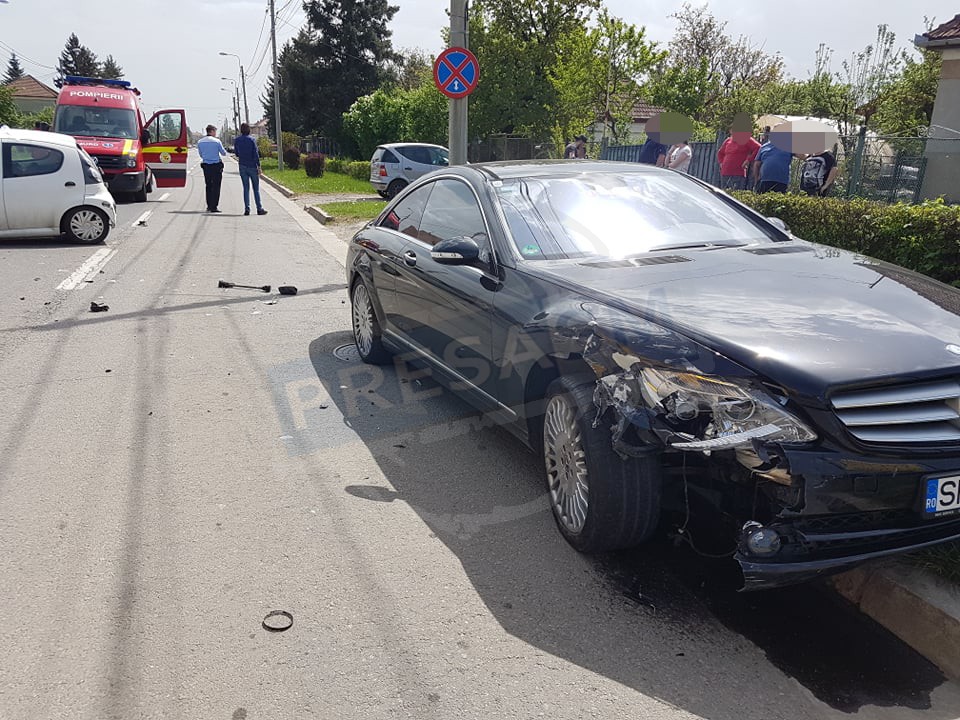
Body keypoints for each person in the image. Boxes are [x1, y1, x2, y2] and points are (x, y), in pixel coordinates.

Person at [234, 123, 268, 216]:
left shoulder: (237, 140)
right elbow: (255, 154)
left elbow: (236, 153)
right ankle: (259, 208)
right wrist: (259, 166)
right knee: (256, 189)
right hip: (252, 165)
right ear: (248, 130)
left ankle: (247, 209)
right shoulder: (252, 140)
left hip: (242, 165)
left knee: (246, 188)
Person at [197, 124, 227, 212]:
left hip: (206, 165)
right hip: (216, 165)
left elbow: (201, 154)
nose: (215, 133)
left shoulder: (200, 142)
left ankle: (209, 205)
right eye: (215, 131)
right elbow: (223, 153)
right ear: (212, 131)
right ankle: (214, 206)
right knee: (216, 186)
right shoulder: (217, 141)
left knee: (208, 185)